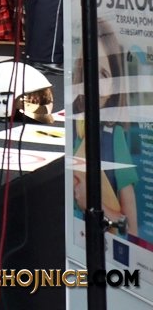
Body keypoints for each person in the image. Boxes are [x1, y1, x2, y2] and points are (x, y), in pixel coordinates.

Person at [71, 14, 138, 239]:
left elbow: (130, 228)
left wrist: (93, 203)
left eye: (104, 75)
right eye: (90, 70)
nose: (96, 83)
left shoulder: (113, 137)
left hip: (106, 245)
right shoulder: (74, 129)